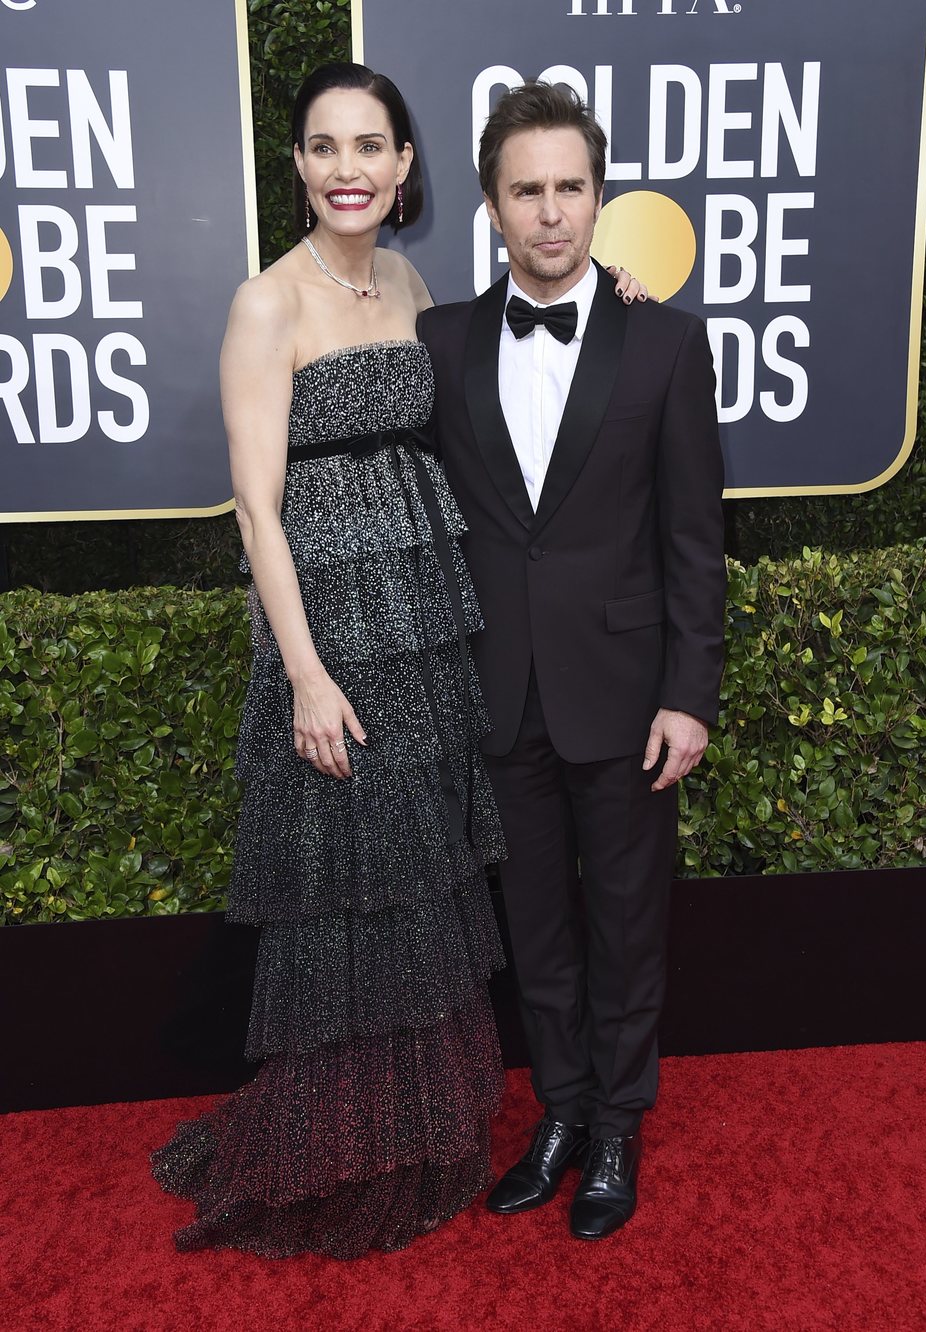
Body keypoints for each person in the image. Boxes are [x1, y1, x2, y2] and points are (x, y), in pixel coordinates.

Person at [150, 63, 645, 1260]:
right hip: (334, 635)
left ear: (408, 165)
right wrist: (307, 675)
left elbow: (494, 364)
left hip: (428, 623)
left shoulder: (416, 282)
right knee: (345, 891)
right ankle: (331, 1142)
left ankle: (416, 1129)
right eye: (324, 148)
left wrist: (609, 297)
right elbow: (259, 513)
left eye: (371, 145)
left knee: (419, 881)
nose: (349, 169)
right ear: (301, 168)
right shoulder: (267, 304)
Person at [418, 80, 727, 1241]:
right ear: (493, 207)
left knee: (628, 923)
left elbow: (697, 537)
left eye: (570, 187)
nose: (550, 213)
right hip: (500, 696)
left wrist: (689, 696)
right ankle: (557, 1111)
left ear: (600, 196)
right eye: (525, 190)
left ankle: (618, 1128)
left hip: (628, 695)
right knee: (535, 927)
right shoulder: (442, 340)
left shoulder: (667, 343)